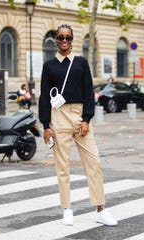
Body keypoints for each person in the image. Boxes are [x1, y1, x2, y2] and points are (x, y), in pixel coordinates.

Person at [39, 24, 117, 226]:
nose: (64, 41)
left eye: (68, 37)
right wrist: (46, 125)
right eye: (60, 37)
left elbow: (89, 92)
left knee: (94, 163)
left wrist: (87, 119)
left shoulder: (81, 62)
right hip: (58, 117)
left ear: (73, 39)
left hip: (79, 115)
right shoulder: (48, 66)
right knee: (62, 166)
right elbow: (44, 97)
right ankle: (67, 209)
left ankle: (101, 209)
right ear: (55, 39)